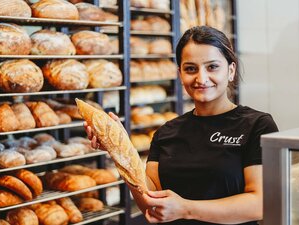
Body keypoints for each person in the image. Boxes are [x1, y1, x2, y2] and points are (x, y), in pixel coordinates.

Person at [84, 26, 278, 225]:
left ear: (230, 70)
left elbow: (260, 203)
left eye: (212, 67)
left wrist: (186, 209)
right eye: (190, 68)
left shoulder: (257, 125)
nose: (201, 78)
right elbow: (151, 204)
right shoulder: (166, 132)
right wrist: (119, 149)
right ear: (180, 74)